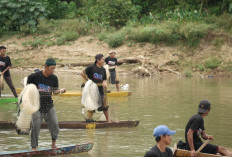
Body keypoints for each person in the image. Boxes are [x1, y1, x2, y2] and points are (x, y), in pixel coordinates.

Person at [27, 58, 66, 151]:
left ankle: (53, 144)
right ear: (45, 67)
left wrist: (60, 91)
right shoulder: (34, 76)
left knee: (55, 124)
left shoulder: (54, 78)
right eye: (51, 68)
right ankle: (34, 147)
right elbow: (26, 88)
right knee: (36, 126)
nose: (53, 70)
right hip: (36, 105)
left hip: (48, 105)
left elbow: (54, 91)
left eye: (54, 69)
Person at [81, 54, 110, 122]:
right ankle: (90, 119)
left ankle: (108, 120)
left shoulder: (103, 69)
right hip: (91, 88)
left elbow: (104, 79)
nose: (104, 60)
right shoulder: (91, 67)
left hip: (100, 88)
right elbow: (82, 73)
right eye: (102, 59)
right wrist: (88, 81)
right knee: (91, 104)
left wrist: (104, 83)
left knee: (104, 104)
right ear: (98, 60)